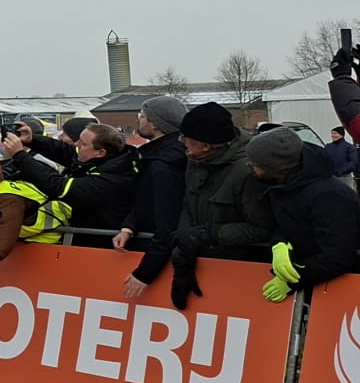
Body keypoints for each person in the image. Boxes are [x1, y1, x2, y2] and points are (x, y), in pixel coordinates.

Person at [125, 101, 273, 309]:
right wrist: (182, 249)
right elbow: (188, 203)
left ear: (207, 145)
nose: (181, 141)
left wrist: (209, 233)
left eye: (186, 138)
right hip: (200, 263)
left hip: (239, 272)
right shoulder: (196, 159)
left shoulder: (248, 172)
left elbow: (262, 228)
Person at [245, 126, 360, 302]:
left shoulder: (330, 196)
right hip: (310, 281)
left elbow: (338, 255)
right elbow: (286, 224)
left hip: (333, 290)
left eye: (254, 164)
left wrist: (295, 279)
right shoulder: (281, 185)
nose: (249, 167)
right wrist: (279, 243)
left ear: (275, 166)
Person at [8, 122, 140, 242]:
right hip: (85, 237)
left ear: (100, 152)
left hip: (101, 245)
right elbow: (63, 151)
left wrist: (20, 156)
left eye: (82, 144)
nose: (76, 145)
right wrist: (32, 140)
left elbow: (59, 186)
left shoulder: (112, 178)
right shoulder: (107, 158)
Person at [115, 96, 188, 254]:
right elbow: (144, 199)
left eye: (141, 116)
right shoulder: (157, 156)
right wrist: (129, 227)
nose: (139, 121)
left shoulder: (164, 163)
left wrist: (145, 273)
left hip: (155, 249)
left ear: (155, 123)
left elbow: (166, 223)